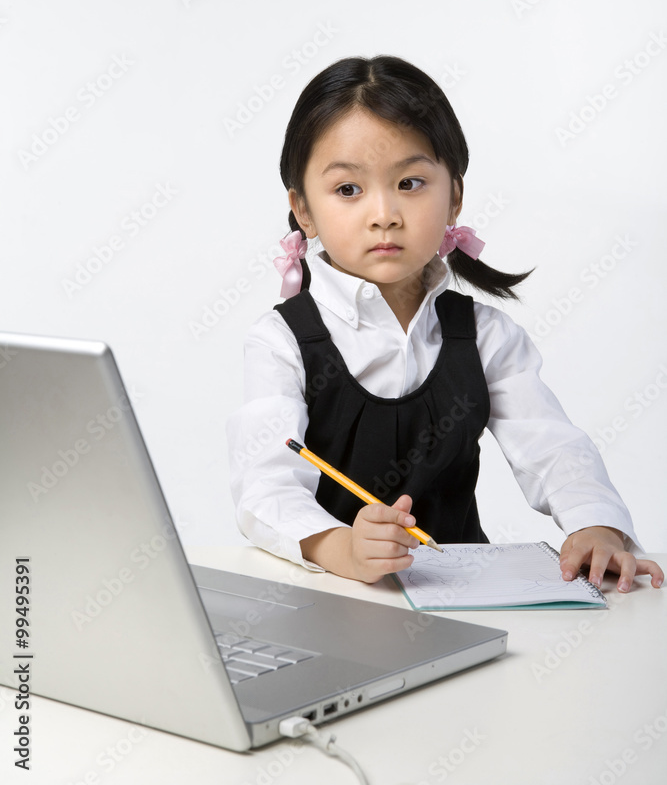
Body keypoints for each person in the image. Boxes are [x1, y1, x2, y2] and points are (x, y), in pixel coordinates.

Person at [227, 55, 663, 592]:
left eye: (410, 182)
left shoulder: (486, 337)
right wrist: (341, 546)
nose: (383, 212)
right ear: (303, 211)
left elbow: (554, 448)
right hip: (330, 592)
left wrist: (597, 524)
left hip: (465, 599)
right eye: (348, 190)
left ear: (454, 195)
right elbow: (265, 488)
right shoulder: (282, 341)